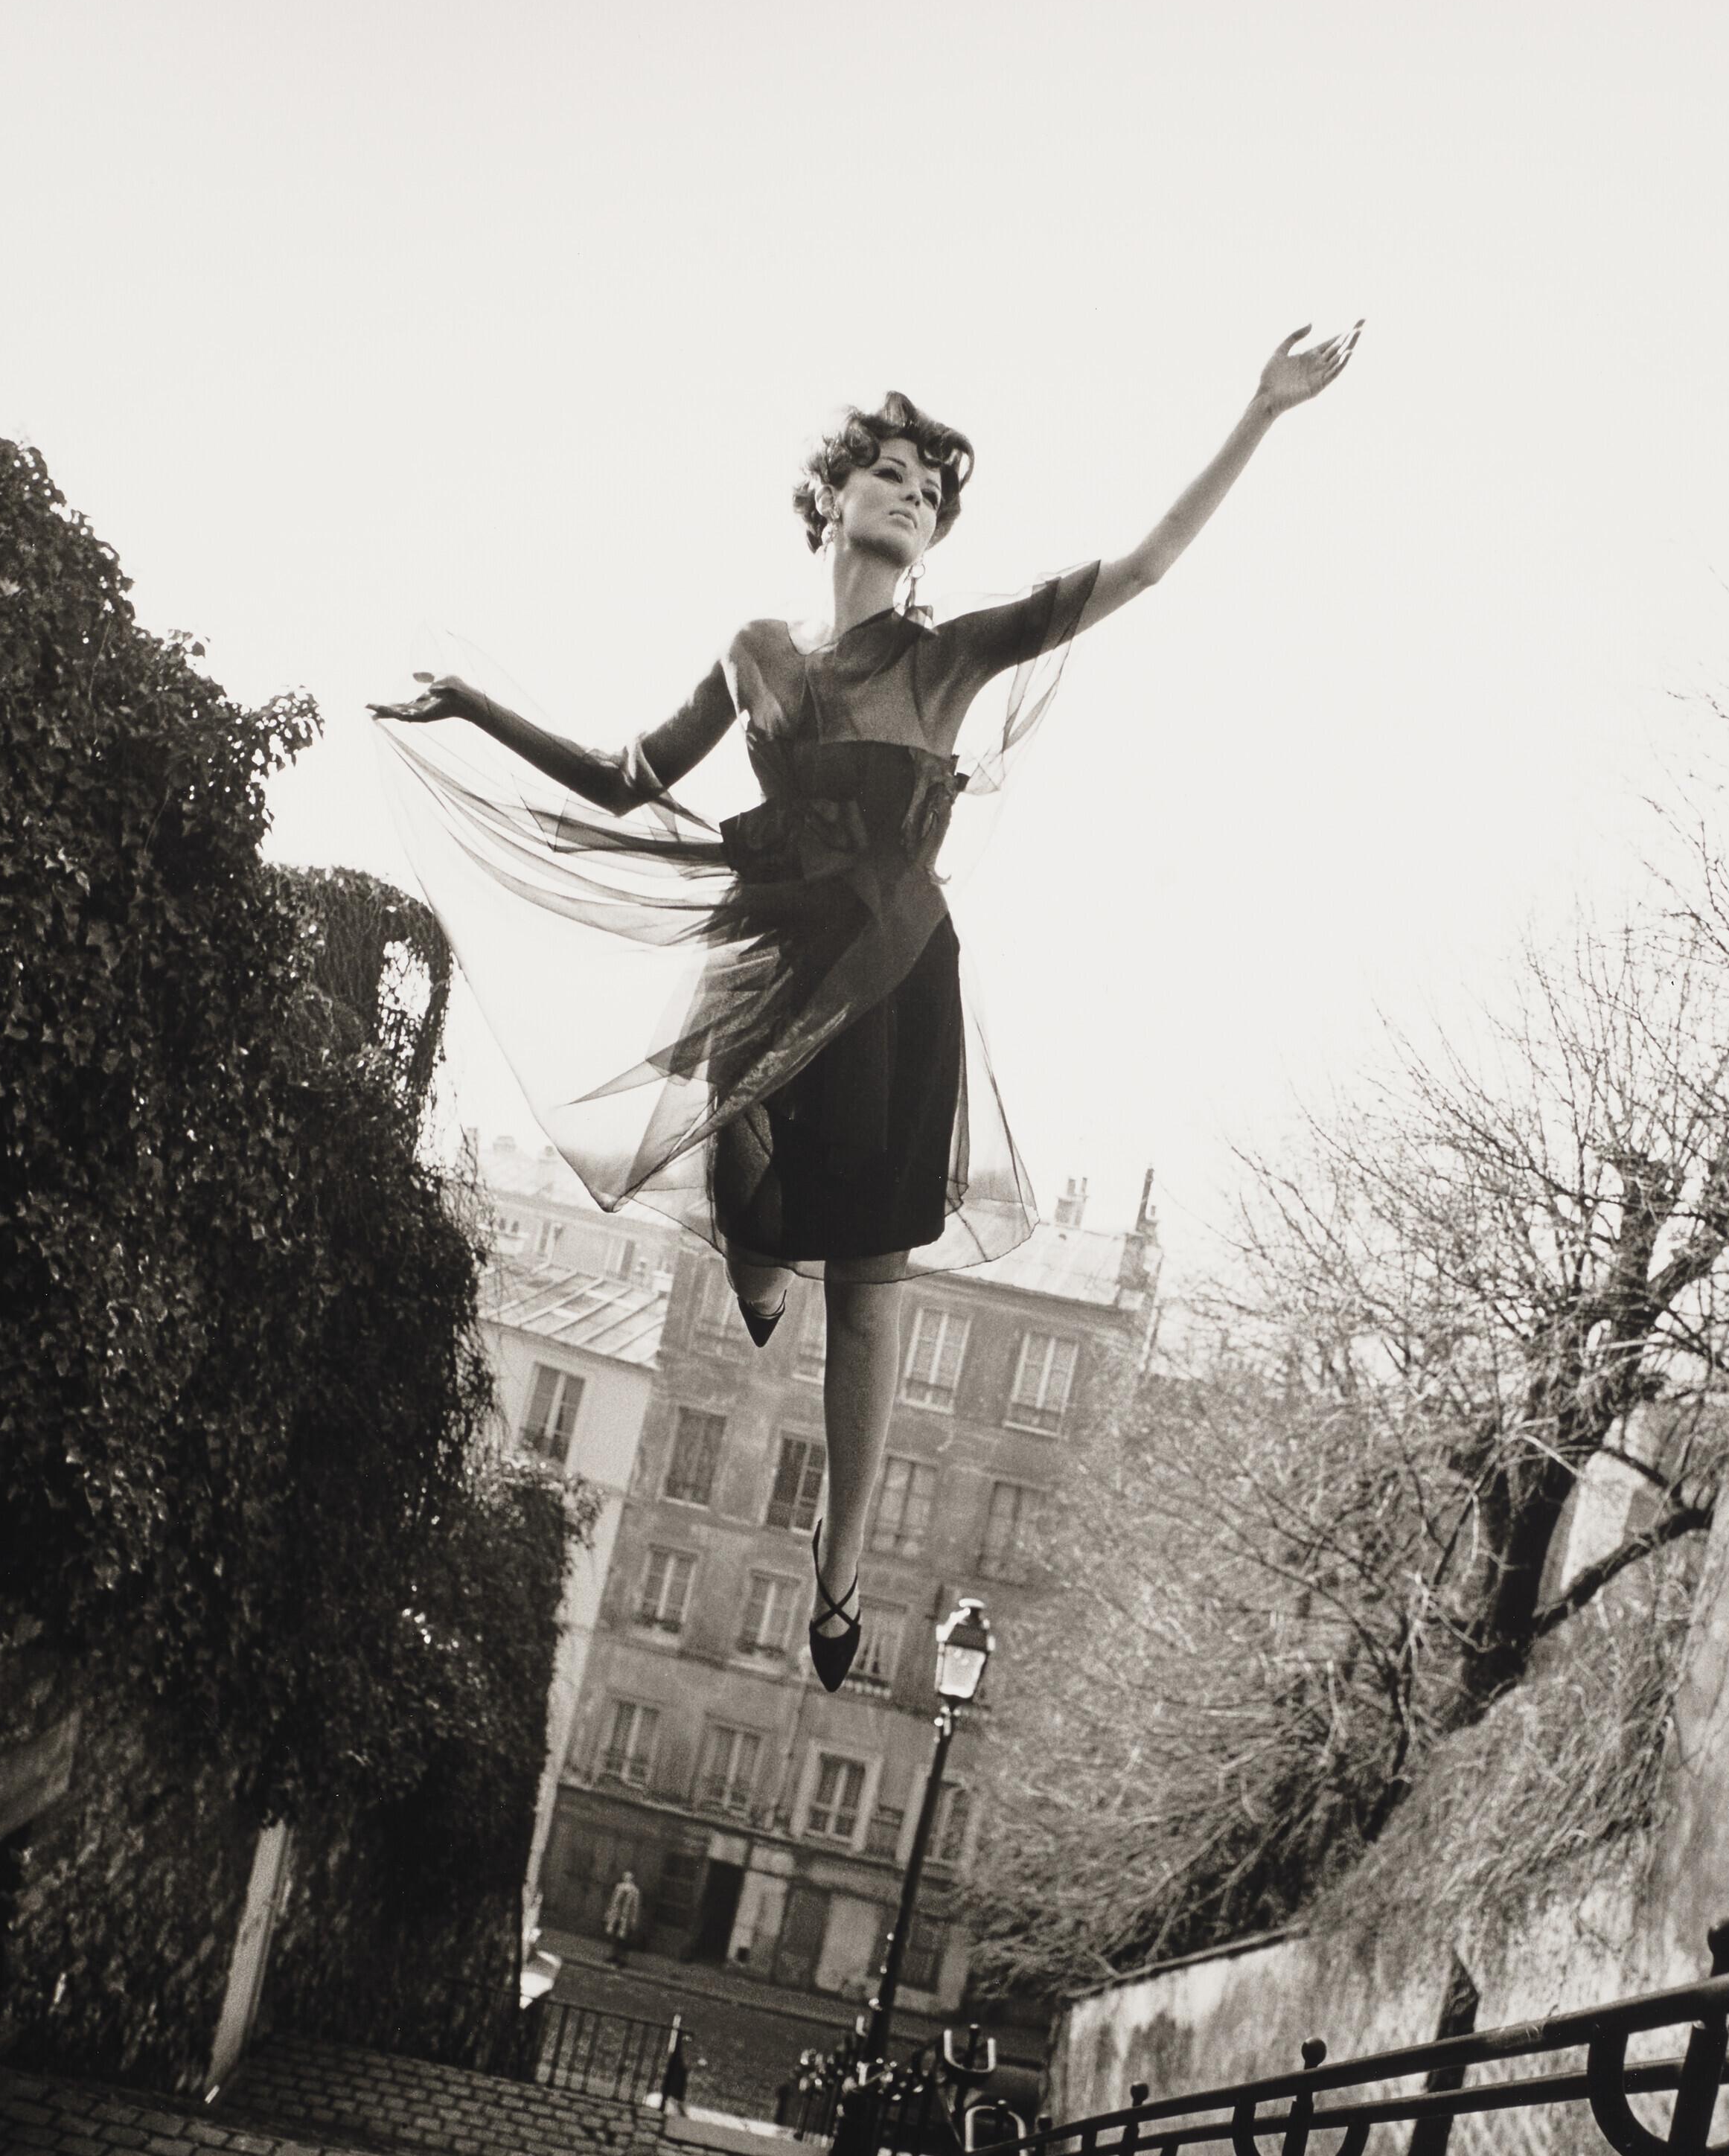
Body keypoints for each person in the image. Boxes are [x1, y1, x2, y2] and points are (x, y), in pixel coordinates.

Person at [374, 328, 1358, 1689]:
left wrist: (1259, 408)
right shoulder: (758, 652)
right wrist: (477, 709)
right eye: (883, 475)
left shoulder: (947, 655)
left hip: (898, 975)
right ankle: (757, 1239)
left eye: (927, 491)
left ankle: (836, 1580)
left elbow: (1138, 570)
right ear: (830, 501)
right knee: (760, 1231)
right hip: (774, 972)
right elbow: (623, 776)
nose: (908, 496)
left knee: (871, 1289)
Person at [603, 1868, 642, 1966]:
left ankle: (623, 1959)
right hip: (617, 1915)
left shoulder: (635, 1892)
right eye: (625, 1877)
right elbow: (614, 1902)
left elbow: (635, 1907)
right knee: (615, 1936)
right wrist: (610, 1914)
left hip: (626, 1917)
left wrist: (633, 1920)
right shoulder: (619, 1888)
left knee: (624, 1939)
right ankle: (614, 1955)